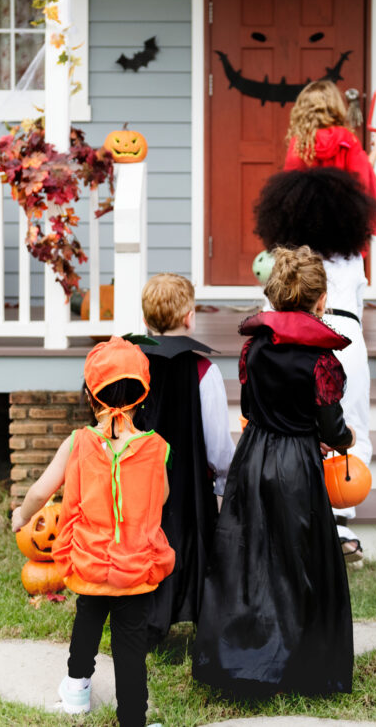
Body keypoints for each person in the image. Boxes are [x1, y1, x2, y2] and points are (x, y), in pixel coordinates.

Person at [192, 246, 356, 698]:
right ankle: (299, 667)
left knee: (249, 559)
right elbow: (330, 425)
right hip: (296, 464)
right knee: (299, 561)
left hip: (255, 455)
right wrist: (343, 440)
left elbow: (249, 408)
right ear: (320, 300)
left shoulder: (254, 348)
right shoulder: (322, 360)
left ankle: (243, 660)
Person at [11, 336, 174, 727]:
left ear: (90, 396)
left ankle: (76, 694)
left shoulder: (78, 443)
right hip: (134, 570)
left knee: (85, 628)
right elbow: (162, 497)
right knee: (129, 648)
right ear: (143, 394)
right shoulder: (157, 448)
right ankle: (133, 718)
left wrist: (21, 514)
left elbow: (40, 491)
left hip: (87, 563)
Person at [254, 166, 376, 564]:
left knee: (290, 421)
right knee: (350, 421)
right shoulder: (352, 255)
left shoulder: (284, 256)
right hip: (344, 335)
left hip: (287, 331)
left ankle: (295, 517)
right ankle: (341, 520)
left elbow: (270, 299)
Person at [131, 273, 234, 641]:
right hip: (188, 487)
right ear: (190, 316)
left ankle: (142, 617)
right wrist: (223, 481)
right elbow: (218, 442)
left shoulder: (130, 365)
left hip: (137, 485)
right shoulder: (204, 371)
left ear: (144, 320)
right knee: (188, 544)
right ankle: (194, 612)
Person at [283, 78, 376, 237]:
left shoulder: (299, 143)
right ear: (335, 106)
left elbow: (290, 190)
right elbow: (362, 179)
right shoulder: (346, 139)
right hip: (343, 227)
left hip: (308, 227)